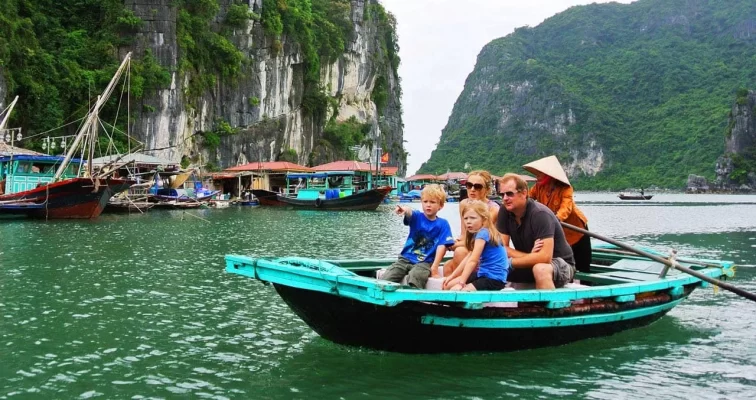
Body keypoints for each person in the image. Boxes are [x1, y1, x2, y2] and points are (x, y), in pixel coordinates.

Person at [496, 173, 575, 289]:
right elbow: (501, 248)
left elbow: (545, 258)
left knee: (540, 268)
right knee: (483, 264)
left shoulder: (540, 214)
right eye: (502, 195)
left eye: (509, 194)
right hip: (529, 262)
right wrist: (531, 256)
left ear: (524, 193)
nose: (505, 198)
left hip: (558, 264)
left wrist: (511, 262)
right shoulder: (504, 211)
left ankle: (550, 306)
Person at [523, 155, 592, 273]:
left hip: (577, 230)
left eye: (540, 173)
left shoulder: (565, 188)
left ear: (549, 175)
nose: (537, 176)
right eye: (537, 173)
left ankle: (589, 288)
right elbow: (526, 199)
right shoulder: (538, 188)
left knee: (583, 264)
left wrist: (555, 219)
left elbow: (566, 208)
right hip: (558, 232)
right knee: (561, 262)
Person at [382, 184, 455, 288]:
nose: (428, 205)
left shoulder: (443, 224)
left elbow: (442, 246)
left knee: (417, 276)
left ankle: (412, 296)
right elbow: (409, 211)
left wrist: (434, 267)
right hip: (405, 258)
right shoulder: (417, 216)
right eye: (425, 201)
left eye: (432, 202)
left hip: (424, 262)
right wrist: (404, 209)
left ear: (441, 205)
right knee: (390, 274)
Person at [441, 170, 500, 277]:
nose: (472, 190)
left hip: (485, 249)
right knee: (447, 266)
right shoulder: (464, 204)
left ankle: (463, 284)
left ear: (486, 190)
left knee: (459, 252)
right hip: (469, 245)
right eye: (469, 185)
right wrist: (452, 242)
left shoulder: (493, 209)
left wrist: (454, 245)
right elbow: (464, 235)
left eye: (477, 187)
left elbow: (479, 240)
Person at [442, 200, 509, 291]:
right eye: (466, 218)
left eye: (473, 218)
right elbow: (468, 258)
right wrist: (452, 276)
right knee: (448, 285)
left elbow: (473, 261)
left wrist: (461, 283)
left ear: (484, 219)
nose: (468, 222)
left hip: (493, 279)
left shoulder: (483, 233)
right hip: (482, 274)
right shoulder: (476, 233)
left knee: (457, 291)